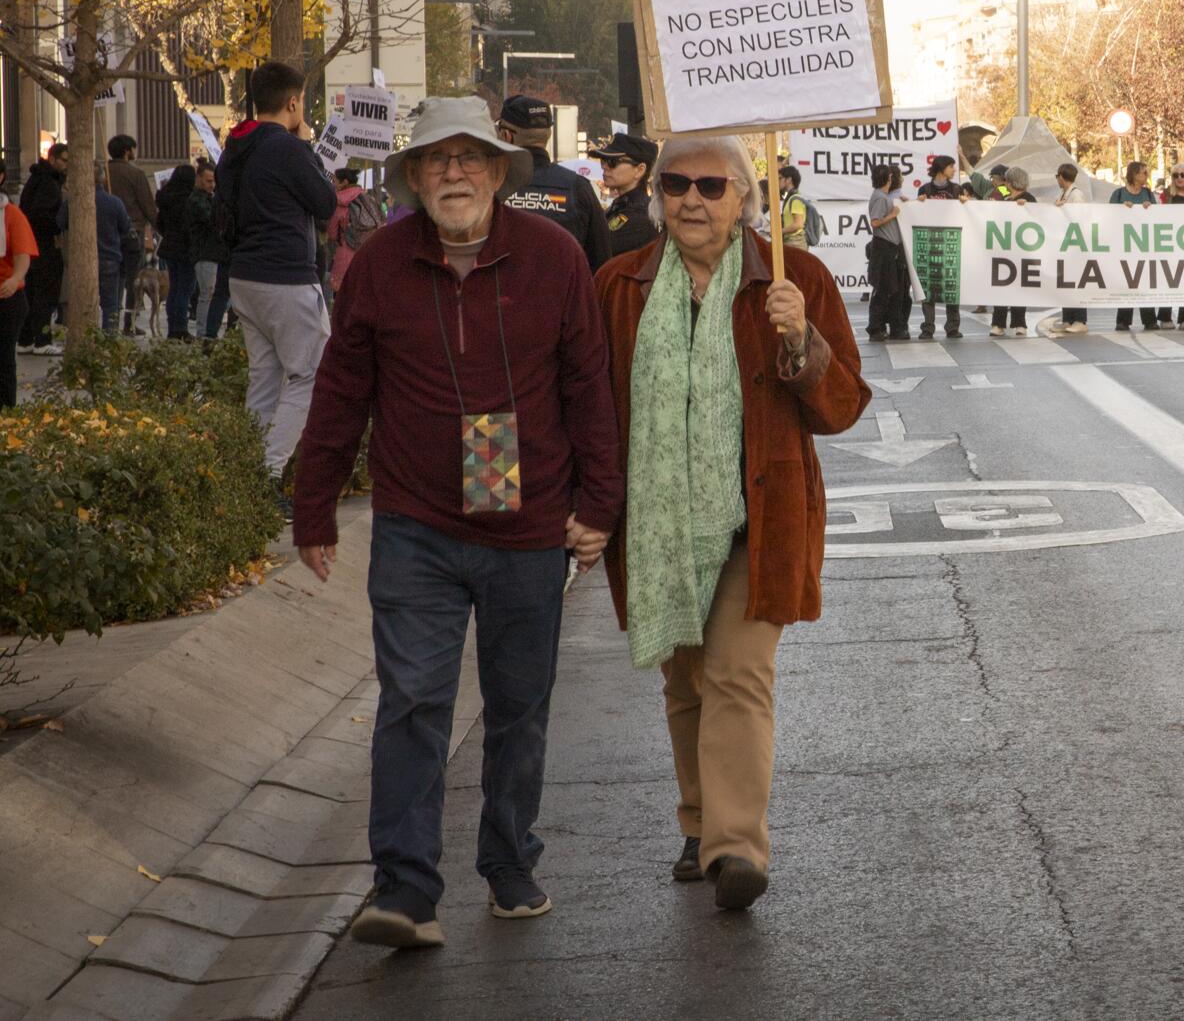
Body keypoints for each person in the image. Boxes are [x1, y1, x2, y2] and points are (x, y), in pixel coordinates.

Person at [292, 96, 622, 950]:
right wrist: (314, 502)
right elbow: (340, 389)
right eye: (437, 160)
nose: (455, 173)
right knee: (413, 701)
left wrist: (600, 505)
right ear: (412, 177)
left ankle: (510, 862)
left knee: (518, 705)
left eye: (471, 158)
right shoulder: (379, 264)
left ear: (499, 169)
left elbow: (589, 387)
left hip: (529, 525)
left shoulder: (552, 257)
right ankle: (405, 886)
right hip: (416, 525)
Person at [594, 134, 867, 912]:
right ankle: (699, 819)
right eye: (677, 183)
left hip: (760, 518)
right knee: (685, 681)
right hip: (655, 522)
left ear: (746, 198)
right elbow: (591, 408)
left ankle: (736, 847)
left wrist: (800, 337)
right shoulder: (619, 285)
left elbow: (843, 406)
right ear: (657, 194)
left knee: (738, 672)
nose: (692, 199)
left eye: (712, 186)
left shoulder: (794, 277)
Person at [216, 60, 339, 514]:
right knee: (310, 374)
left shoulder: (236, 147)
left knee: (265, 379)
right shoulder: (287, 149)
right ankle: (267, 475)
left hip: (245, 277)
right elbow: (325, 202)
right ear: (292, 103)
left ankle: (247, 477)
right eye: (301, 103)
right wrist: (307, 147)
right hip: (285, 277)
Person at [495, 94, 612, 272]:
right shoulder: (578, 186)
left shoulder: (490, 186)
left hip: (502, 296)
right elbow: (602, 261)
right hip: (562, 297)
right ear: (548, 135)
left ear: (506, 136)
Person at [55, 165, 132, 334]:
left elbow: (60, 223)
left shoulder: (74, 201)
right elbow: (126, 227)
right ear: (103, 180)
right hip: (109, 258)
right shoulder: (115, 202)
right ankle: (109, 338)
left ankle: (85, 336)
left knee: (84, 302)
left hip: (82, 259)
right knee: (111, 304)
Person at [106, 134, 157, 335]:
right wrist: (157, 225)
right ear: (127, 151)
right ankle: (128, 322)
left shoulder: (105, 172)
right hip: (131, 231)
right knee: (133, 280)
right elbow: (147, 204)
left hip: (108, 232)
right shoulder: (135, 174)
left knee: (113, 278)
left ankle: (112, 320)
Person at [18, 143, 66, 353]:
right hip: (44, 244)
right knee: (45, 293)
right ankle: (41, 339)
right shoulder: (47, 182)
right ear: (53, 158)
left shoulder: (39, 179)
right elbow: (42, 214)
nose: (67, 165)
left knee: (33, 291)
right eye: (64, 160)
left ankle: (26, 338)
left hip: (33, 243)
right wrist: (58, 227)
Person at [1110, 161, 1165, 333]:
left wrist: (1149, 209)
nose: (1146, 176)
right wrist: (1121, 209)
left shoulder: (1148, 194)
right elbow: (1108, 214)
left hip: (1144, 245)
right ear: (1134, 174)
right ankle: (1123, 320)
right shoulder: (1118, 194)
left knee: (1145, 281)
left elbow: (1157, 218)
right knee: (1127, 281)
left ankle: (1149, 320)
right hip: (1124, 245)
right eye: (1143, 173)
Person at [589, 132, 662, 258]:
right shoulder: (621, 206)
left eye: (613, 162)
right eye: (603, 161)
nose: (605, 167)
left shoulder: (642, 216)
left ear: (640, 170)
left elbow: (598, 250)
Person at [0, 166, 37, 404]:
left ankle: (6, 411)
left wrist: (15, 279)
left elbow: (23, 253)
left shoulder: (11, 214)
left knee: (3, 359)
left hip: (6, 297)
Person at [864, 163, 912, 341]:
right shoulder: (880, 198)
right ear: (889, 178)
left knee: (890, 289)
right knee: (883, 290)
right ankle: (875, 327)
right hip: (883, 246)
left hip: (889, 247)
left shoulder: (883, 196)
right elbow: (875, 222)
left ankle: (885, 326)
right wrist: (892, 215)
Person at [185, 161, 231, 340]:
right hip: (205, 253)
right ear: (198, 179)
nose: (211, 185)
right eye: (208, 181)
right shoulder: (197, 200)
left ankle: (206, 331)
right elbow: (212, 220)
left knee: (213, 293)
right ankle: (203, 333)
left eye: (213, 182)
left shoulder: (209, 198)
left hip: (213, 253)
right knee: (207, 294)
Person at [915, 156, 960, 340]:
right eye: (951, 167)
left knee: (951, 287)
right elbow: (916, 212)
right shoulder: (925, 189)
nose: (954, 170)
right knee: (928, 288)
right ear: (942, 168)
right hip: (929, 243)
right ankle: (928, 328)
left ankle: (953, 327)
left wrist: (966, 203)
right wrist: (919, 202)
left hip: (952, 243)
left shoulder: (956, 189)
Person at [990, 167, 1036, 336]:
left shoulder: (1029, 199)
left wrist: (1028, 207)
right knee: (1002, 285)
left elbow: (1039, 217)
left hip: (1021, 250)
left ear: (1009, 182)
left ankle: (1018, 323)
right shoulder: (1006, 199)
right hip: (1005, 249)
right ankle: (999, 323)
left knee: (1018, 286)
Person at [155, 164, 198, 339]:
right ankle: (180, 328)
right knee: (185, 289)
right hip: (185, 249)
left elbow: (160, 223)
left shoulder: (165, 197)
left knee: (175, 288)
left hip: (169, 247)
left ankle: (173, 326)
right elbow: (190, 226)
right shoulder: (188, 199)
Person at [1160, 164, 1184, 331]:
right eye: (1176, 175)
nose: (1180, 178)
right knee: (1167, 280)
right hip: (1169, 242)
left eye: (1183, 175)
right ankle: (1165, 316)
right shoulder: (1167, 194)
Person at [1054, 163, 1089, 334]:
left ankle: (1080, 319)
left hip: (1075, 243)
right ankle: (1068, 318)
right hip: (1065, 243)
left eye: (1057, 177)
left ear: (1061, 177)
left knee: (1076, 282)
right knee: (1066, 282)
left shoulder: (1077, 195)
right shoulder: (1064, 194)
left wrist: (1063, 209)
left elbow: (1079, 217)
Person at [774, 164, 809, 252]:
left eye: (780, 178)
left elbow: (798, 224)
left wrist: (779, 231)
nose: (778, 181)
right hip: (792, 242)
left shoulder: (795, 199)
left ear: (789, 180)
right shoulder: (791, 198)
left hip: (795, 243)